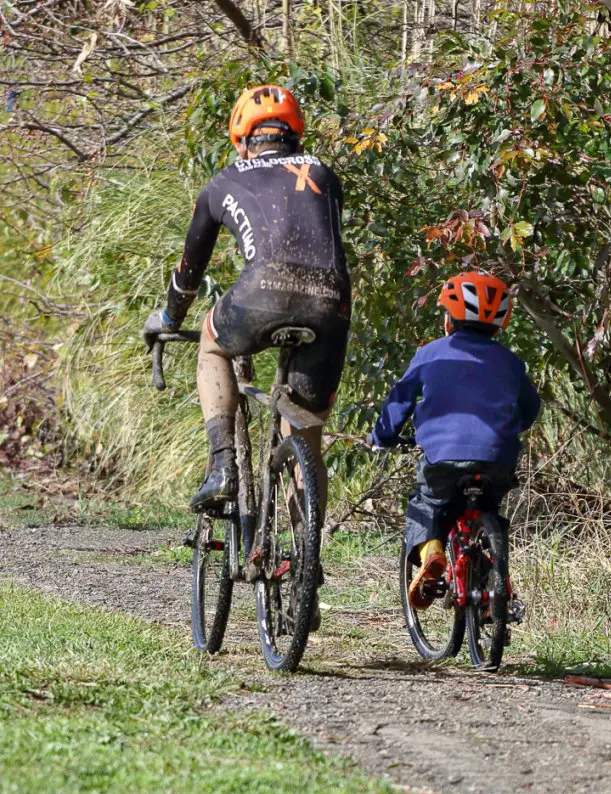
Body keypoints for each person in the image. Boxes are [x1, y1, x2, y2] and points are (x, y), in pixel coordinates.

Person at [142, 85, 351, 523]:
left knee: (212, 342)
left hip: (264, 289)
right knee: (306, 436)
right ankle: (305, 563)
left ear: (241, 139)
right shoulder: (323, 172)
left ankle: (221, 465)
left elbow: (189, 272)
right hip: (332, 301)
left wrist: (168, 316)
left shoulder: (225, 181)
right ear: (296, 135)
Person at [368, 271, 540, 609]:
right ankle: (496, 586)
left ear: (448, 321)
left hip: (443, 459)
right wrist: (507, 428)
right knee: (489, 508)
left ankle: (432, 552)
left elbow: (399, 402)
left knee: (427, 505)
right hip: (498, 456)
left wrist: (382, 436)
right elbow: (531, 409)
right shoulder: (510, 362)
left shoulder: (430, 354)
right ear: (498, 324)